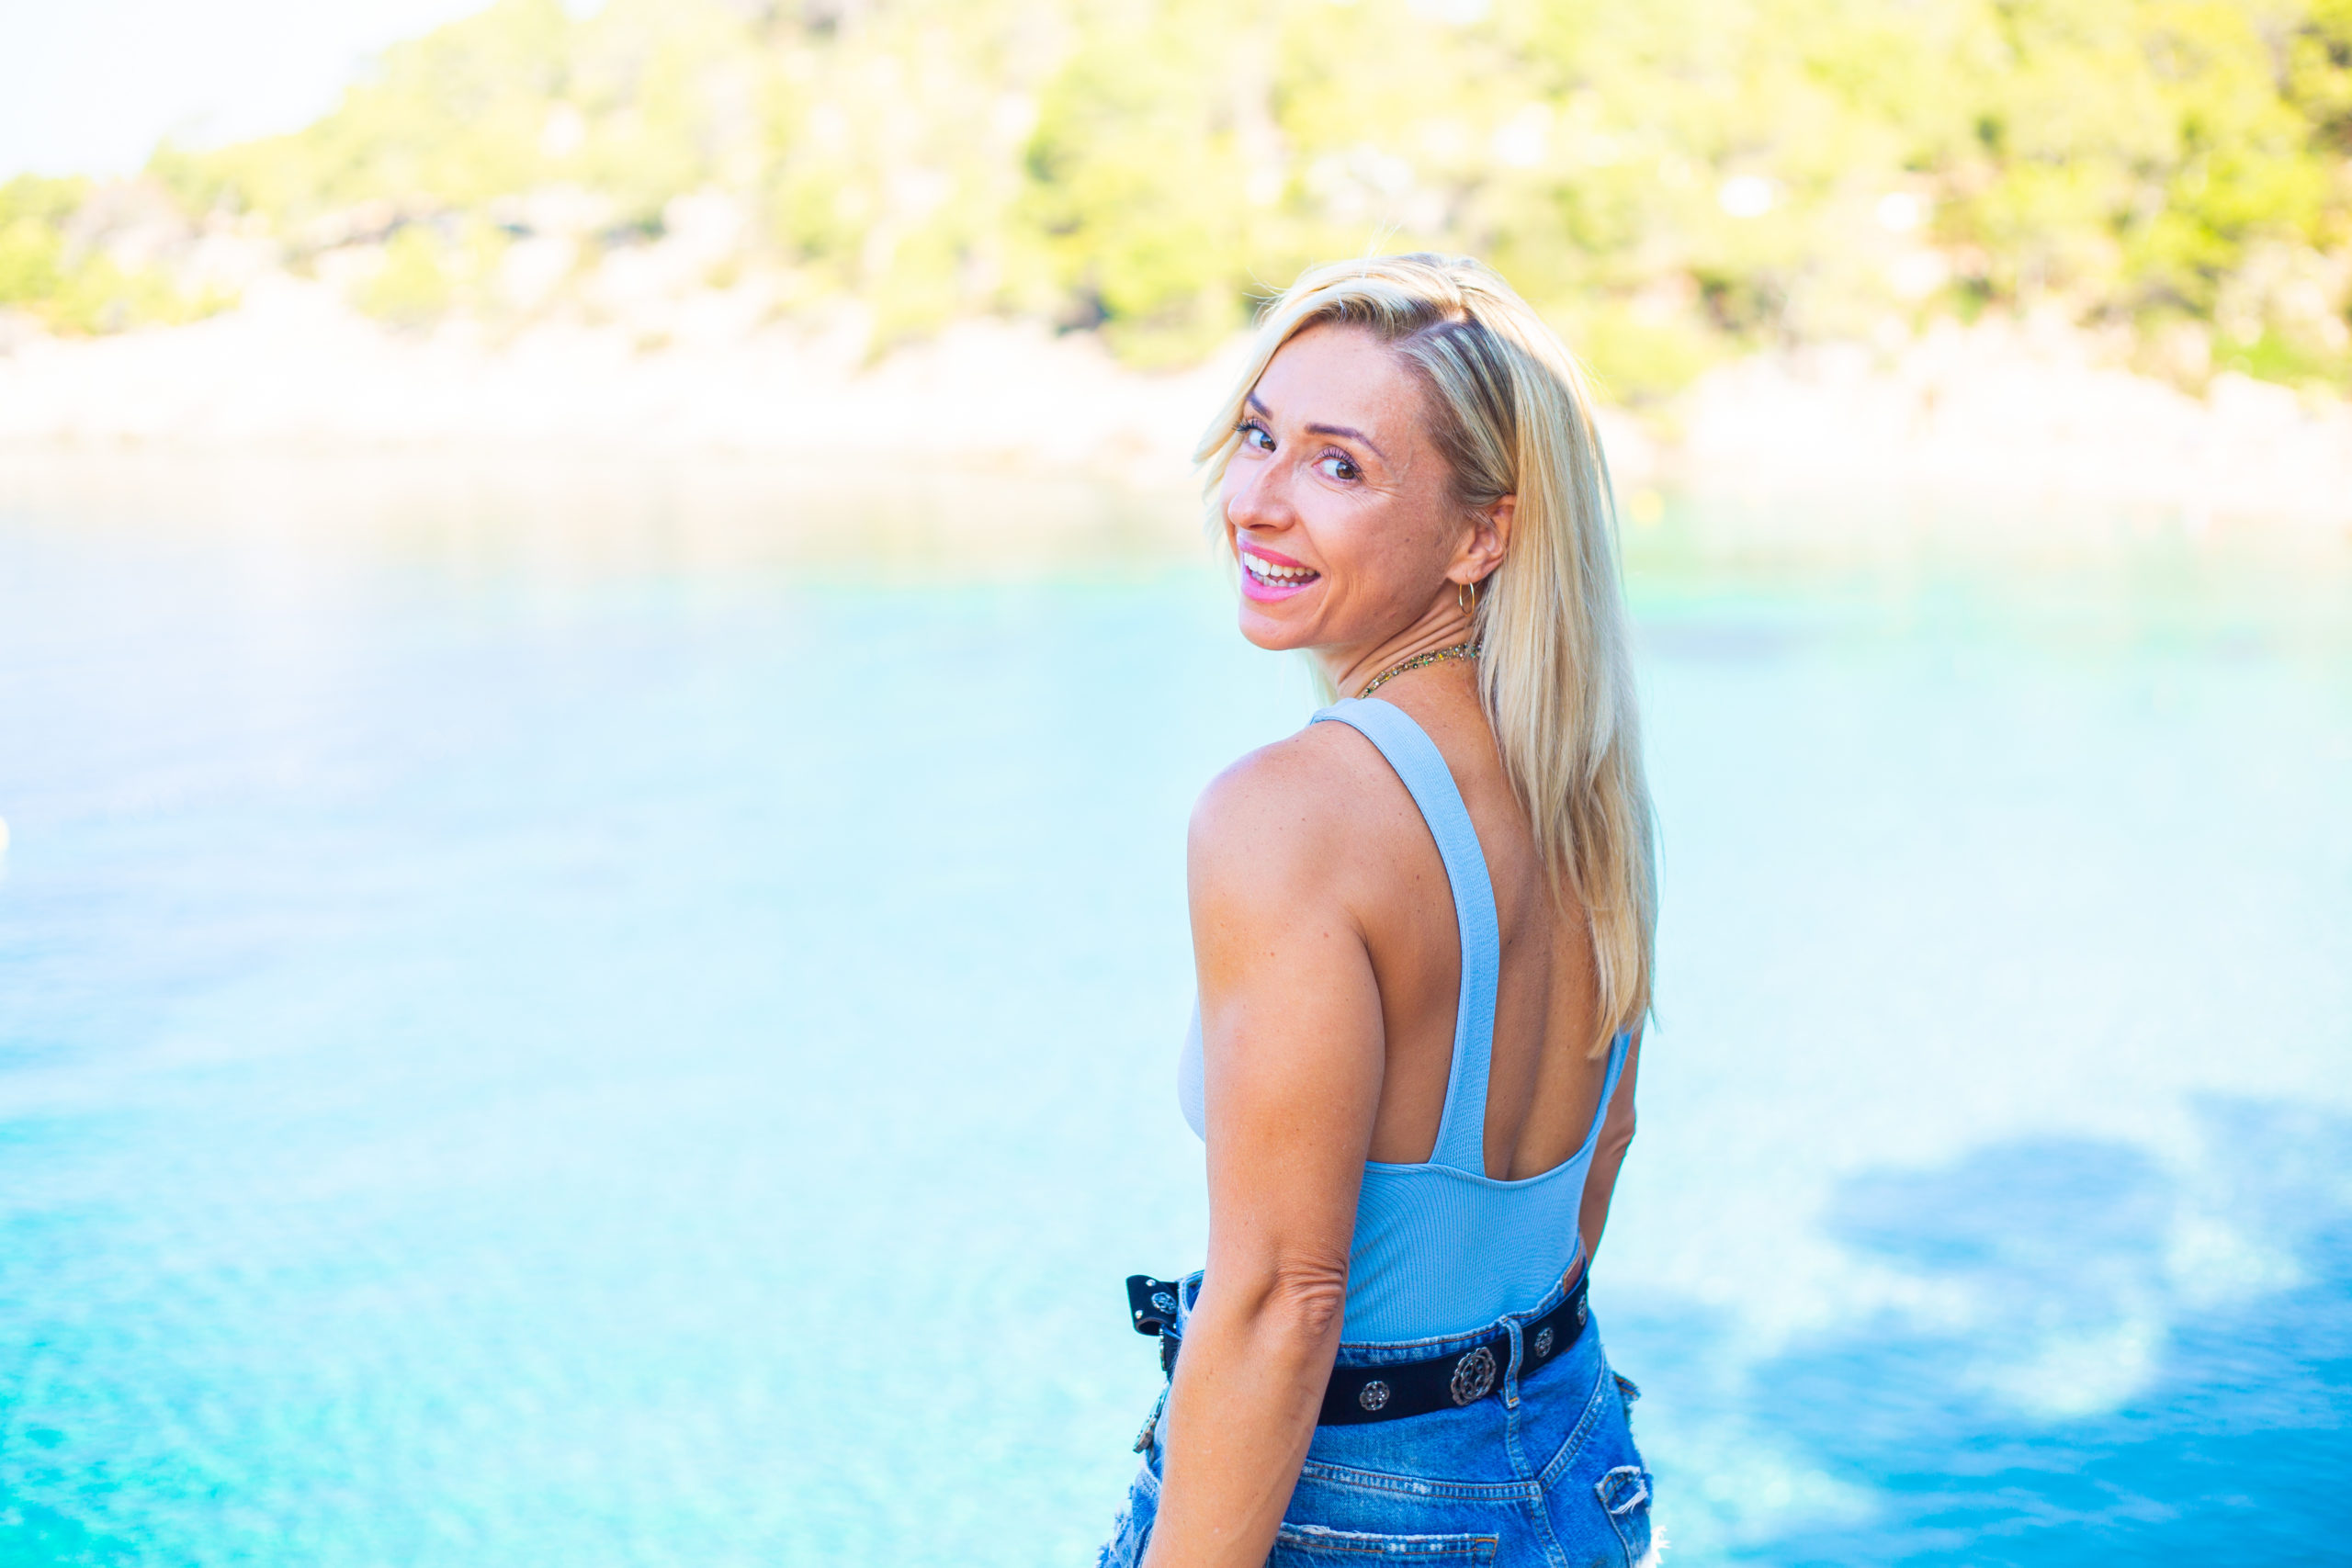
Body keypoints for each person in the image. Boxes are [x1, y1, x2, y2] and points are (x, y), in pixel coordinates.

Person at [1100, 254, 1660, 1568]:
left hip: (1354, 1507)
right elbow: (1608, 1140)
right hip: (1564, 1454)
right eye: (1259, 437)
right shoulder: (1578, 783)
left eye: (1338, 466)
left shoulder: (1285, 815)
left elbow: (1283, 1305)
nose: (1259, 502)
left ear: (1483, 535)